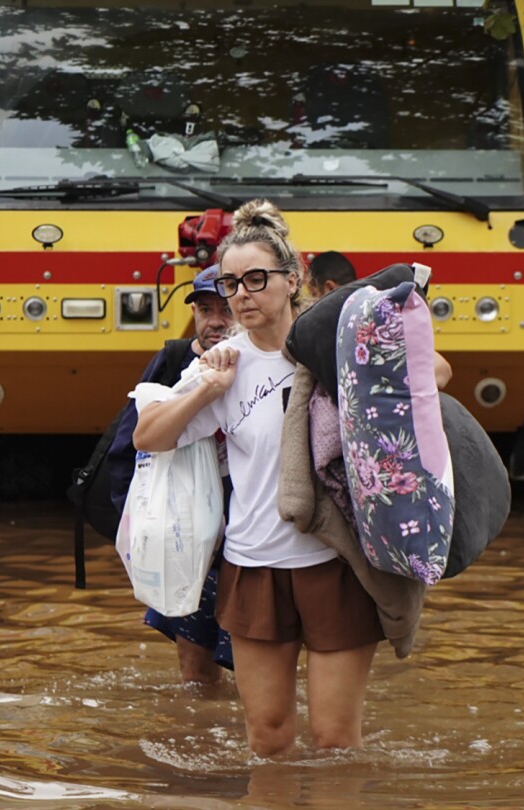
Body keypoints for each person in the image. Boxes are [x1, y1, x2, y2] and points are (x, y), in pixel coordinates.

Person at [134, 199, 384, 757]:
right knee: (267, 739)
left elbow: (433, 372)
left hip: (333, 561)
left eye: (255, 279)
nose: (241, 294)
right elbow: (147, 435)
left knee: (336, 741)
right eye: (230, 284)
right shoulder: (221, 363)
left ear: (293, 279)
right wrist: (206, 391)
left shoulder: (333, 344)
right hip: (254, 567)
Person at [108, 265, 234, 684]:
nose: (215, 320)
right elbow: (130, 446)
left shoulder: (271, 363)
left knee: (259, 664)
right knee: (195, 670)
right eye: (204, 309)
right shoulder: (176, 360)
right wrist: (141, 528)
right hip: (188, 537)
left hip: (249, 537)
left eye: (226, 308)